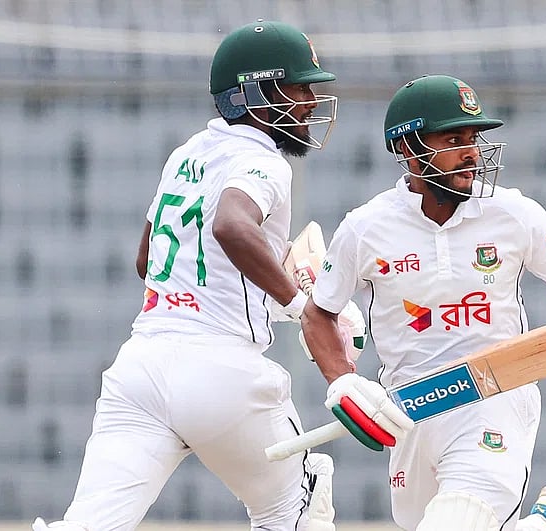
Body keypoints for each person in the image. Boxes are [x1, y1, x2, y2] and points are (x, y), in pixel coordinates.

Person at [31, 20, 352, 531]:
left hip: (140, 369)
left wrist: (266, 293)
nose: (312, 100)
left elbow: (148, 261)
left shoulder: (187, 153)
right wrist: (299, 306)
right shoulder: (262, 160)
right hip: (223, 369)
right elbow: (229, 225)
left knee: (89, 525)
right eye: (301, 86)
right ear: (257, 93)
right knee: (294, 512)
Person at [300, 74, 546, 531]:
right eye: (454, 139)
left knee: (456, 521)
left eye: (474, 138)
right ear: (409, 149)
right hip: (410, 408)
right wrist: (344, 382)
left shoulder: (513, 213)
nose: (472, 152)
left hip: (495, 393)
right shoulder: (365, 227)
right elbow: (319, 313)